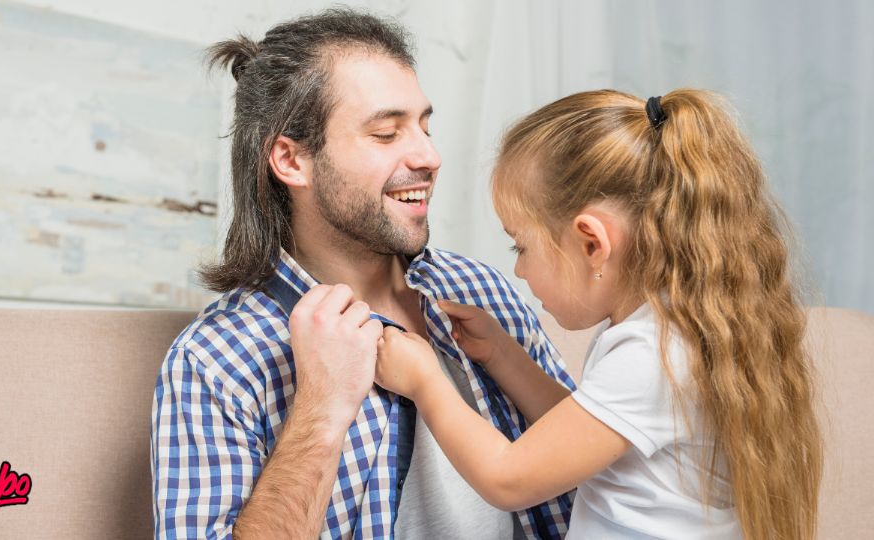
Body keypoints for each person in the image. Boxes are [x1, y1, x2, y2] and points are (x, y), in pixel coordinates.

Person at [150, 8, 575, 539]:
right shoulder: (218, 360)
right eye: (385, 133)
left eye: (424, 125)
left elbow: (608, 479)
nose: (429, 155)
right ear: (291, 159)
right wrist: (321, 410)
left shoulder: (484, 293)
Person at [375, 89, 823, 540]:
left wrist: (424, 380)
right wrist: (502, 356)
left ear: (592, 244)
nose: (519, 269)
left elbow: (507, 478)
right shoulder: (667, 332)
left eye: (522, 246)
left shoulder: (651, 356)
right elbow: (583, 435)